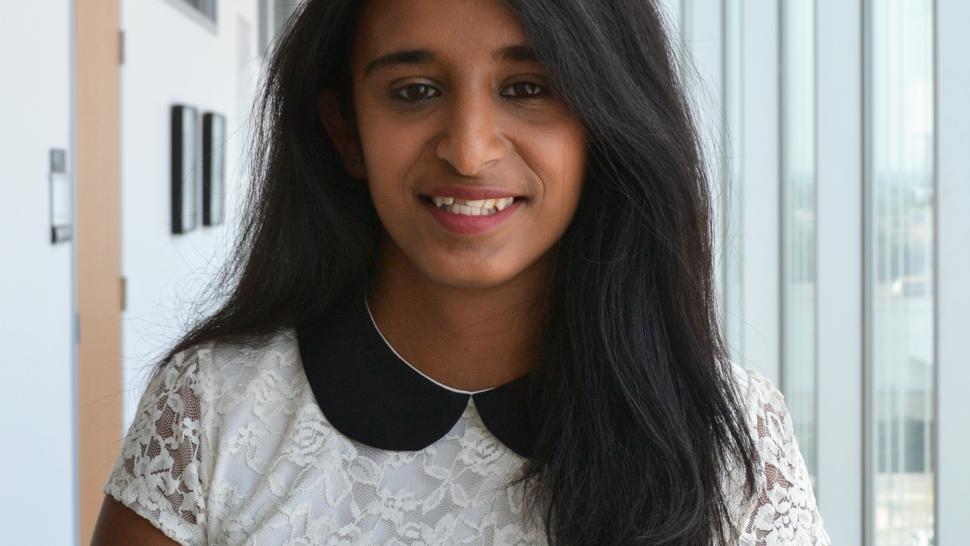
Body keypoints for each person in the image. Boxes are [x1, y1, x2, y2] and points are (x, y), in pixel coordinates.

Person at [91, 0, 831, 544]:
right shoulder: (212, 410)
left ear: (605, 121)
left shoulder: (732, 438)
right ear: (346, 131)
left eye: (527, 88)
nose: (470, 150)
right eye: (414, 91)